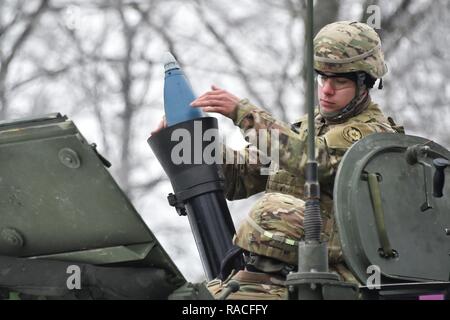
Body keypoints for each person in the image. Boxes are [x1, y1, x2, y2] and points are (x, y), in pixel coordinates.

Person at [153, 21, 404, 299]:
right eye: (322, 78)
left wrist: (245, 115)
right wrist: (194, 141)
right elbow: (240, 178)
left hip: (338, 272)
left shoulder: (373, 136)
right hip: (278, 270)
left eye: (340, 81)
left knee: (271, 209)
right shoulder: (308, 128)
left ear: (365, 83)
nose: (326, 90)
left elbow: (314, 162)